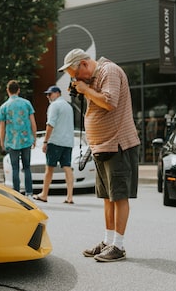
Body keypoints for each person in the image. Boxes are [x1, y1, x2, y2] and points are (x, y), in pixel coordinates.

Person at [58, 48, 140, 262]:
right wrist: (82, 89)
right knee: (106, 197)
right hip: (101, 147)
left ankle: (119, 246)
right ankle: (107, 241)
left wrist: (85, 89)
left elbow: (109, 103)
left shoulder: (109, 71)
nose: (75, 80)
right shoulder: (91, 79)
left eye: (75, 74)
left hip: (117, 144)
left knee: (119, 196)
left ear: (84, 64)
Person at [33, 86, 75, 204]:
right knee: (67, 167)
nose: (48, 96)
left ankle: (44, 194)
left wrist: (45, 141)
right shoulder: (68, 106)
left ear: (57, 93)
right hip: (68, 141)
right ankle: (70, 196)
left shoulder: (54, 106)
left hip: (55, 141)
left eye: (49, 94)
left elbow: (50, 124)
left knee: (49, 168)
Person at [0, 80, 37, 198]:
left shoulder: (4, 106)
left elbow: (2, 126)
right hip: (26, 139)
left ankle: (16, 193)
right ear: (18, 90)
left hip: (11, 140)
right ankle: (29, 192)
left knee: (15, 167)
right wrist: (34, 137)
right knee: (27, 166)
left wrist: (2, 141)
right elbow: (32, 122)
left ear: (7, 90)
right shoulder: (26, 103)